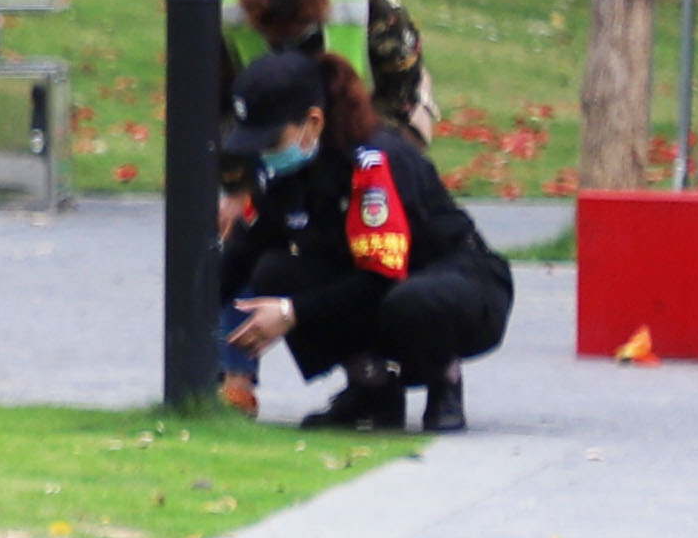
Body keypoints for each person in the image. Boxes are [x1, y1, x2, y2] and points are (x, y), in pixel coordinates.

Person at [215, 43, 509, 432]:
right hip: (375, 287)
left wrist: (291, 313)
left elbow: (382, 276)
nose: (263, 154)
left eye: (270, 142)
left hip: (457, 287)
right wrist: (189, 316)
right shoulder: (284, 175)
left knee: (412, 301)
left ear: (313, 122)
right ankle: (371, 388)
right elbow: (242, 254)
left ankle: (444, 381)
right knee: (274, 270)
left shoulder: (373, 163)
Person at [221, 0, 433, 138]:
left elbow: (401, 89)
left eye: (291, 29)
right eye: (268, 28)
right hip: (257, 121)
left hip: (366, 111)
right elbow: (207, 98)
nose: (279, 38)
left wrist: (358, 144)